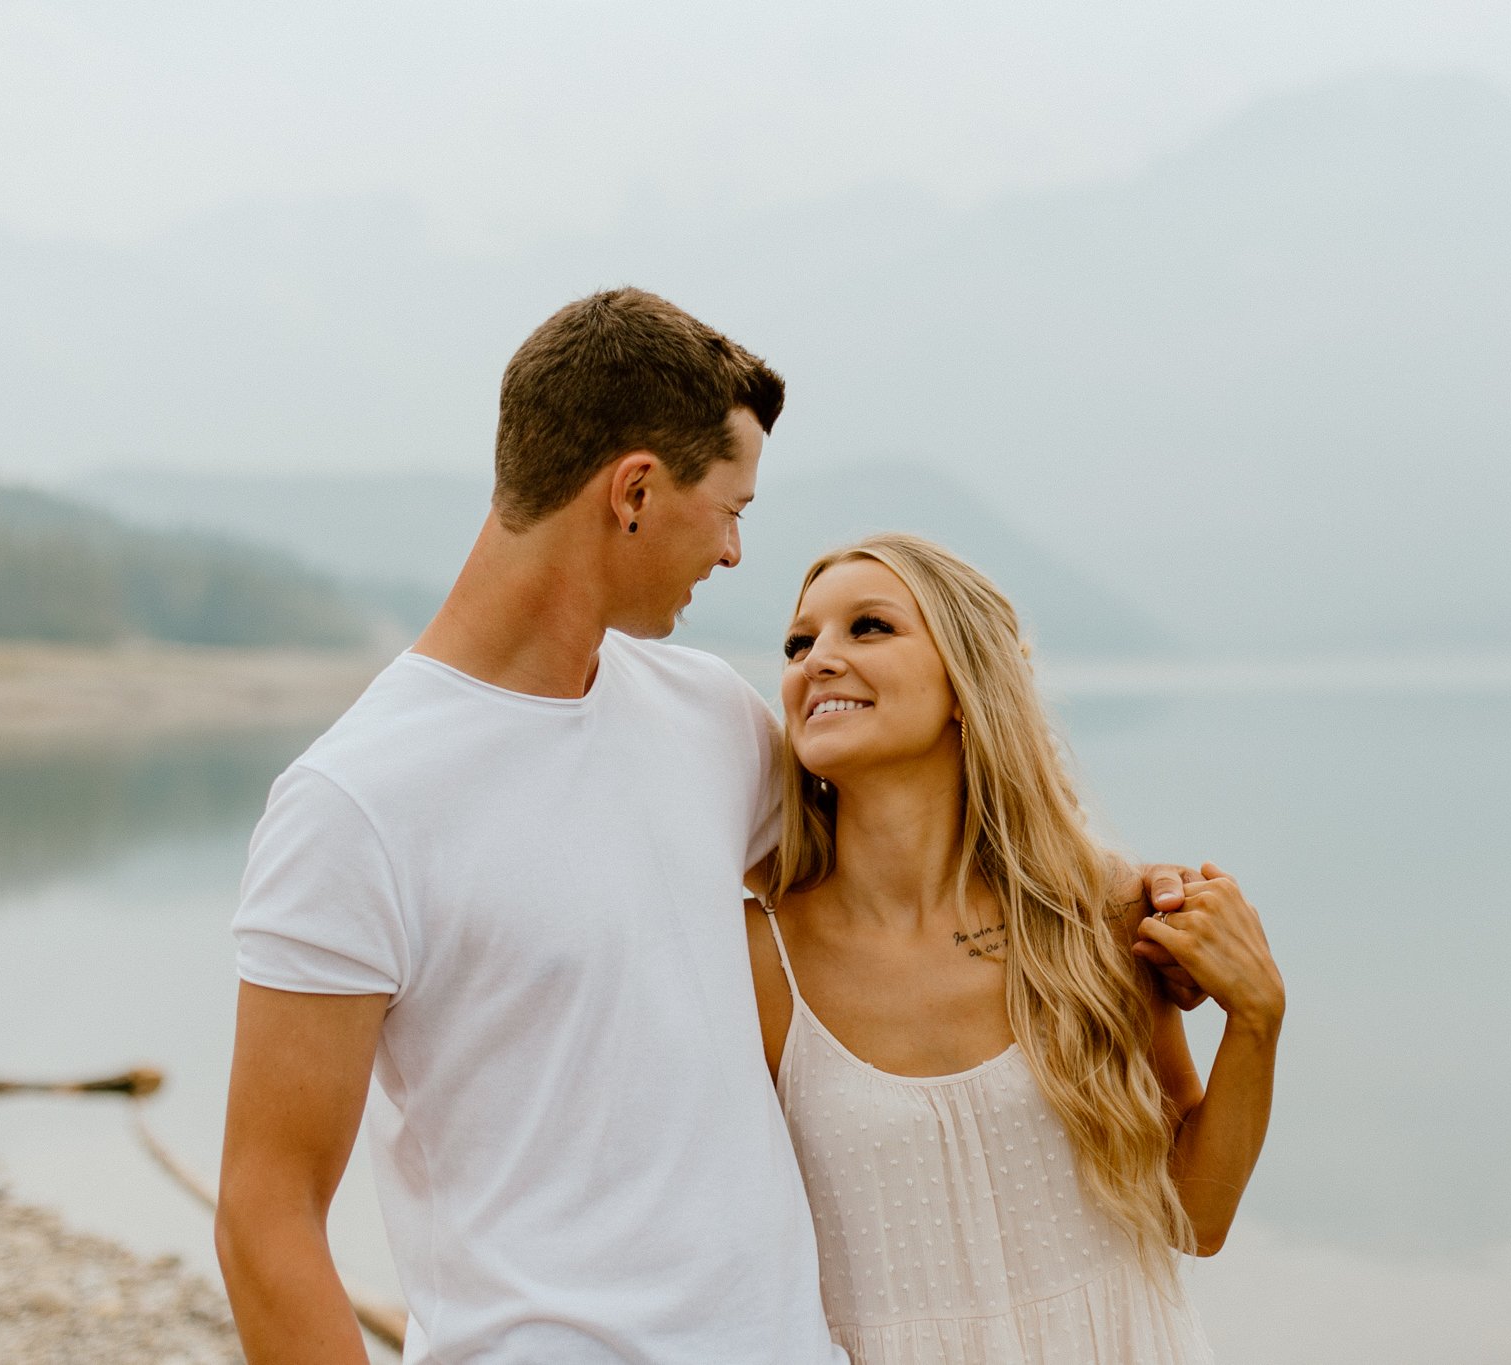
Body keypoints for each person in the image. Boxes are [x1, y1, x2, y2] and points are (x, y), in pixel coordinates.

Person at [213, 288, 1197, 1365]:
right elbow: (267, 1221)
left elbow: (927, 835)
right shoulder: (352, 805)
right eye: (731, 507)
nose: (732, 552)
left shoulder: (706, 716)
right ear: (634, 491)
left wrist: (1136, 902)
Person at [747, 533, 1284, 1364]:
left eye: (869, 627)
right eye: (798, 641)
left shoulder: (1094, 910)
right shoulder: (759, 959)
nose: (818, 659)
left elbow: (1193, 1217)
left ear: (965, 685)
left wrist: (1257, 1017)